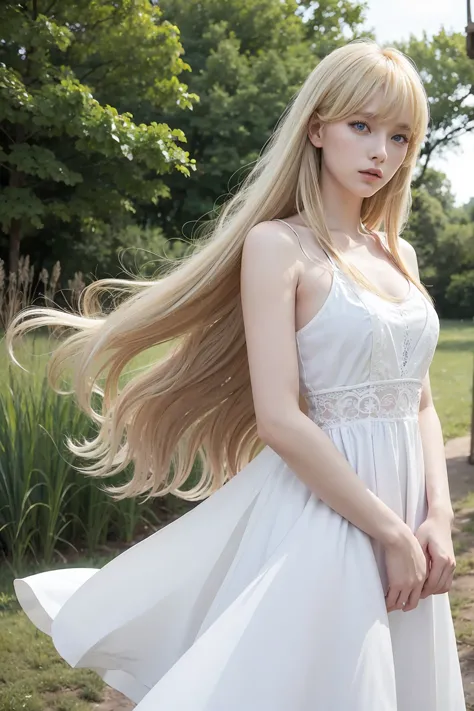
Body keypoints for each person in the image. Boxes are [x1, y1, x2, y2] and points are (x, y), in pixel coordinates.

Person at [7, 38, 465, 710]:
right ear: (317, 128)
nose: (380, 152)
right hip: (329, 513)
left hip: (410, 515)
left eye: (399, 136)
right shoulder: (278, 245)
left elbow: (421, 406)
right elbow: (280, 417)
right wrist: (388, 531)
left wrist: (438, 519)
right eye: (361, 126)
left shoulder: (404, 258)